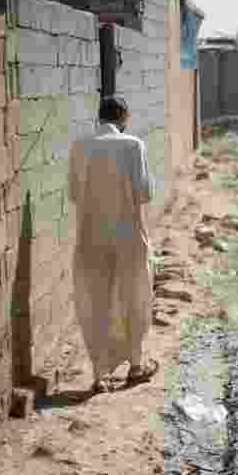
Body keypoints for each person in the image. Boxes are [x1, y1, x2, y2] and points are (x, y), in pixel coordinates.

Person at [68, 96, 158, 395]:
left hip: (91, 236)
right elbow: (145, 193)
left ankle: (100, 374)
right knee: (135, 295)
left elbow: (73, 194)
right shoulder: (133, 145)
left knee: (95, 300)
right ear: (122, 116)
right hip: (128, 235)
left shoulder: (79, 146)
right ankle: (135, 365)